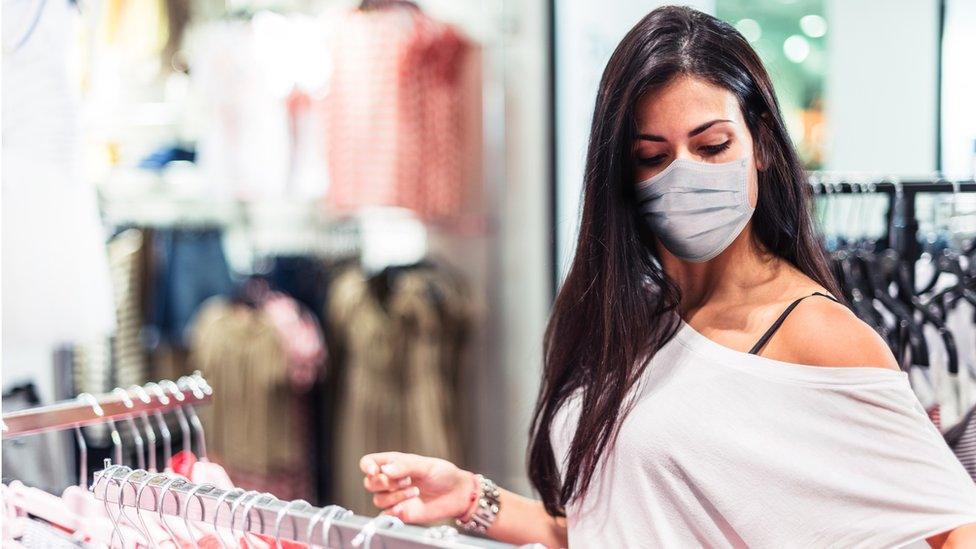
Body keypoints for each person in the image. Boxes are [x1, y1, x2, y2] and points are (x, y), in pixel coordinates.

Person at [359, 6, 976, 547]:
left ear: (760, 144)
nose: (685, 175)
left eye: (712, 147)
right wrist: (471, 499)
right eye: (651, 157)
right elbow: (616, 524)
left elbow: (957, 527)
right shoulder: (638, 316)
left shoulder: (815, 333)